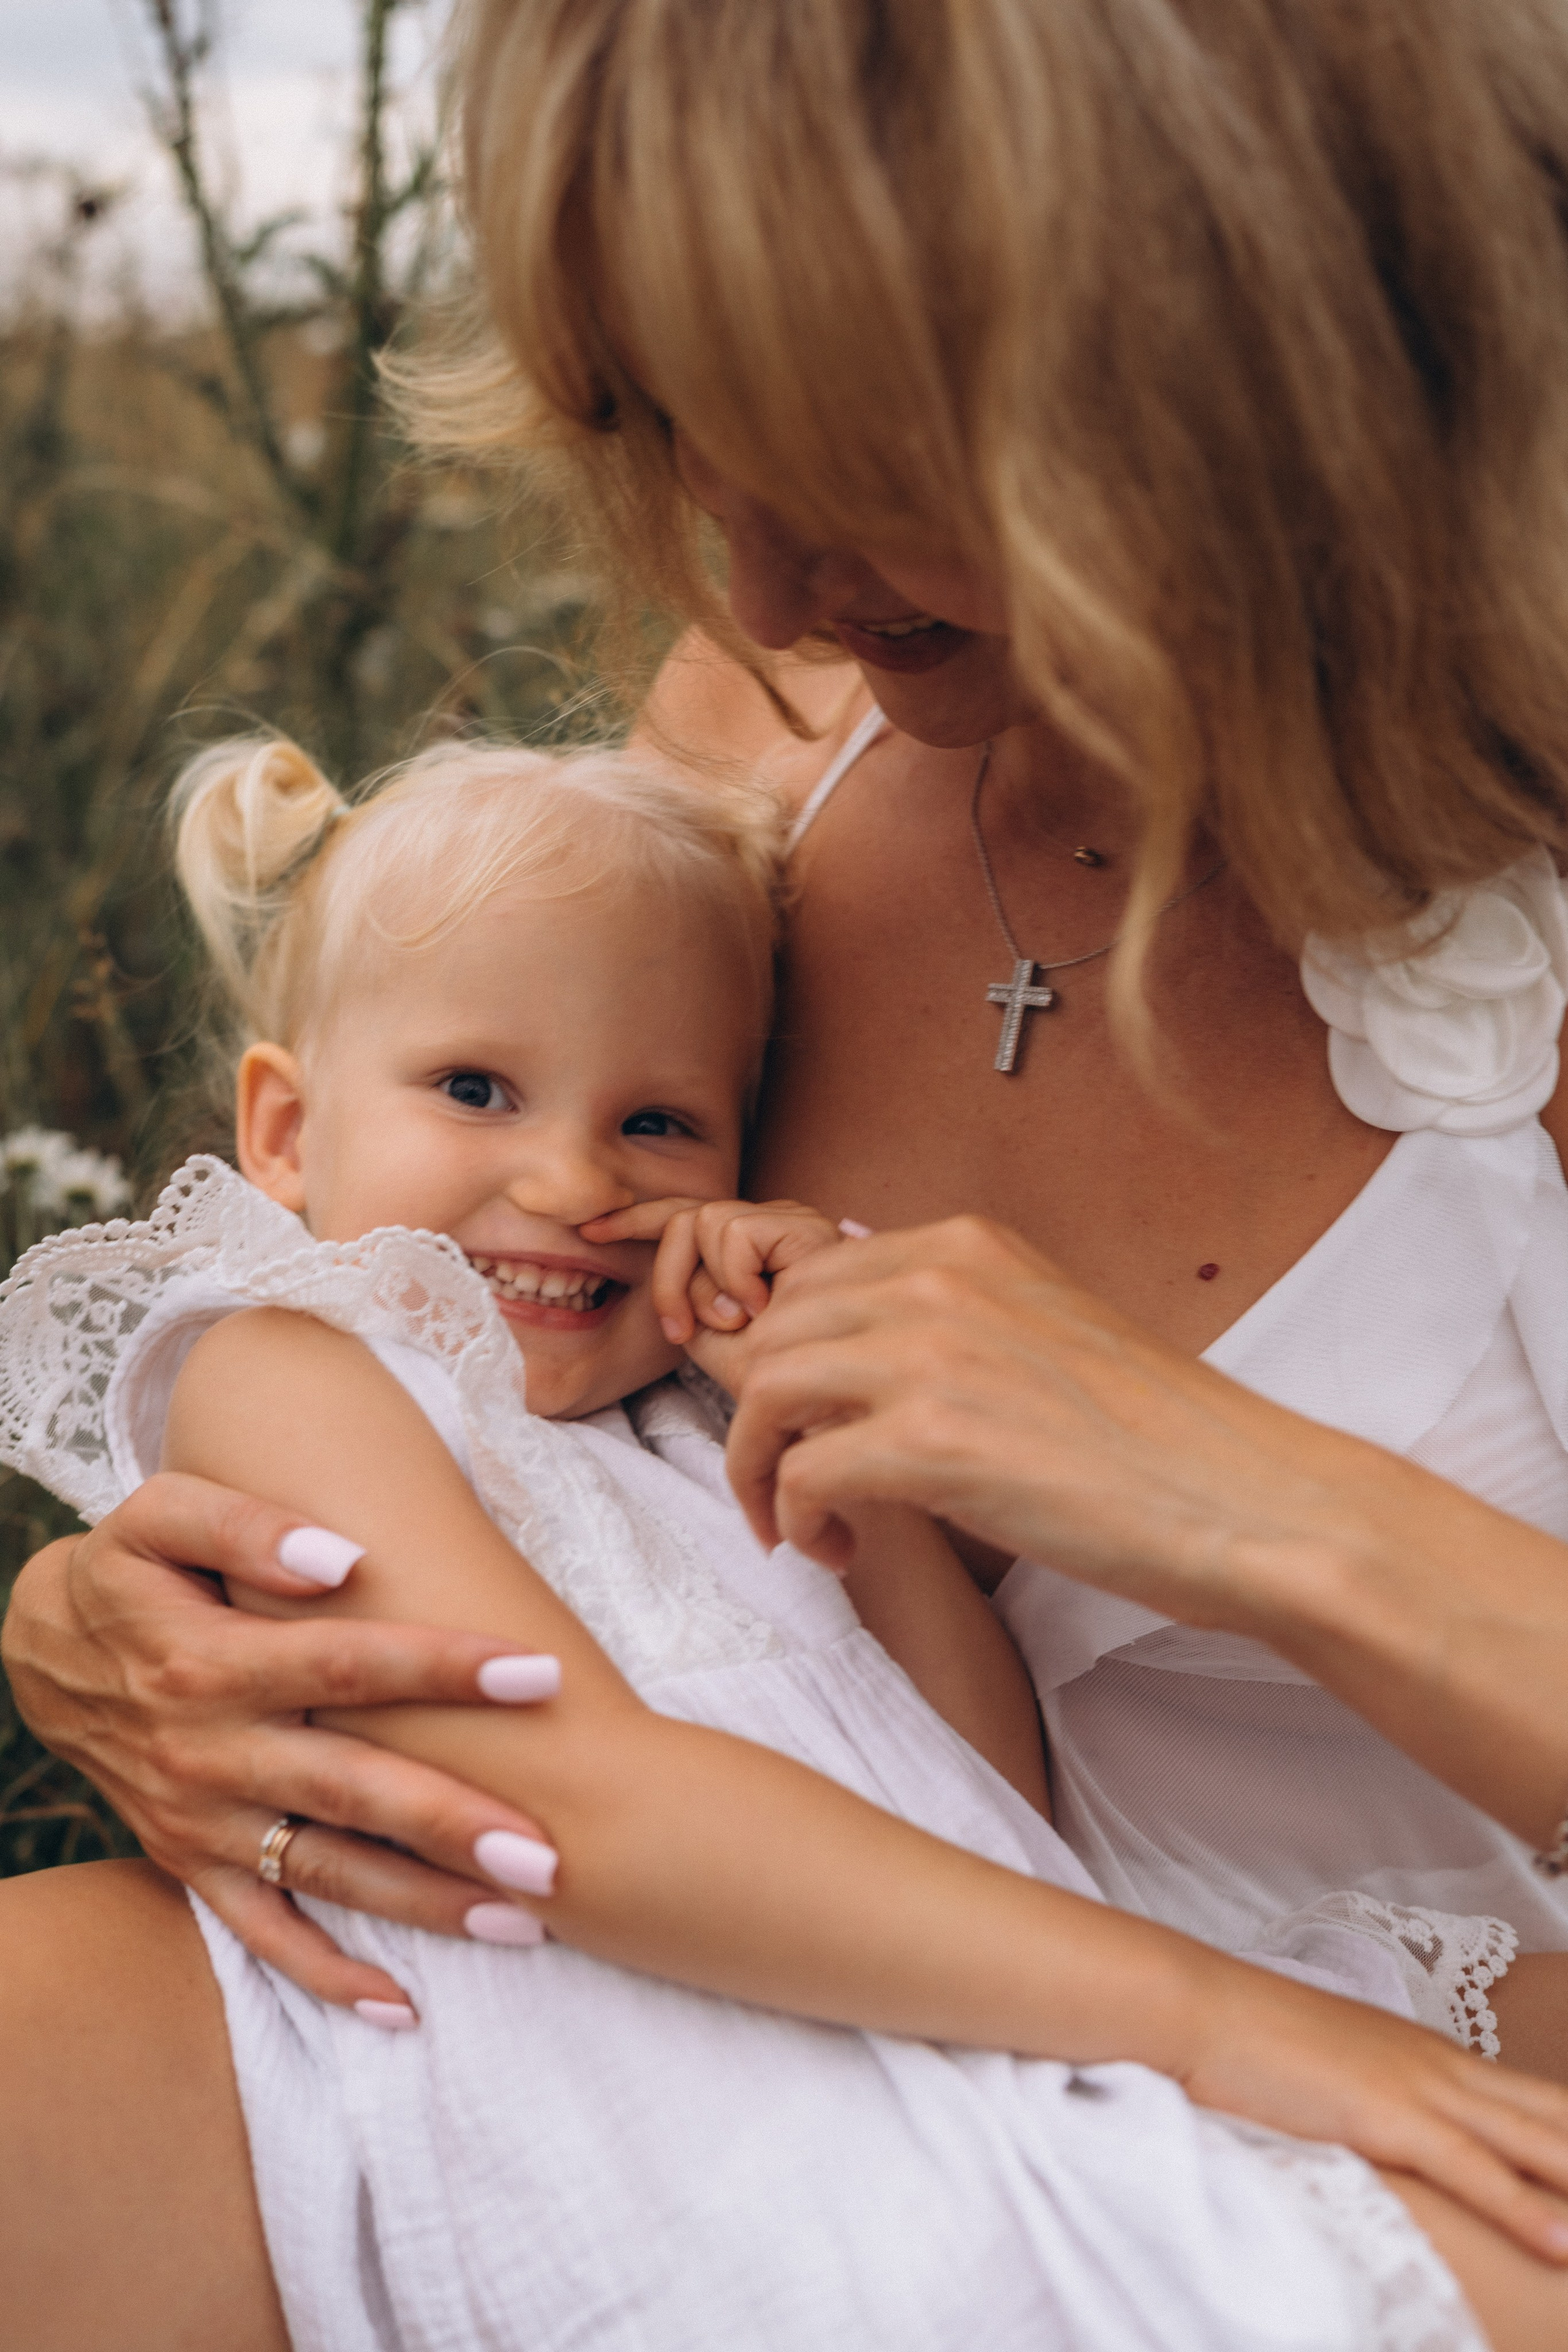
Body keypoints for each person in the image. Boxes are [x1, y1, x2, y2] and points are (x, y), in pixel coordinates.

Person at [9, 0, 1568, 2334]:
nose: (748, 588)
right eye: (664, 423)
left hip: (1391, 2038)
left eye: (866, 446)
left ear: (1271, 341)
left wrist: (1269, 1505)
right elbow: (426, 1284)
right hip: (703, 1968)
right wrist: (138, 1635)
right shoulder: (790, 721)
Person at [6, 726, 1556, 2352]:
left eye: (661, 1124)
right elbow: (569, 1802)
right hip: (667, 2110)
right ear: (285, 1133)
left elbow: (983, 1798)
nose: (571, 1178)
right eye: (476, 1090)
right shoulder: (291, 1363)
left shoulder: (683, 1431)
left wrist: (842, 1458)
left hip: (961, 2040)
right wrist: (1210, 2019)